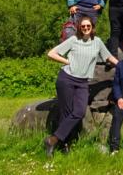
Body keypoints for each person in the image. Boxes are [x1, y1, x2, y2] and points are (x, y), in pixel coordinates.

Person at [44, 16, 118, 157]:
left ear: (92, 27)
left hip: (83, 82)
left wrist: (121, 66)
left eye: (88, 26)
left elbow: (108, 57)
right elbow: (51, 53)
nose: (85, 28)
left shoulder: (97, 42)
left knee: (79, 112)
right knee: (66, 113)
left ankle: (52, 140)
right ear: (79, 27)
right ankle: (65, 145)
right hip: (67, 79)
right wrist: (67, 61)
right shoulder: (73, 40)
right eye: (83, 26)